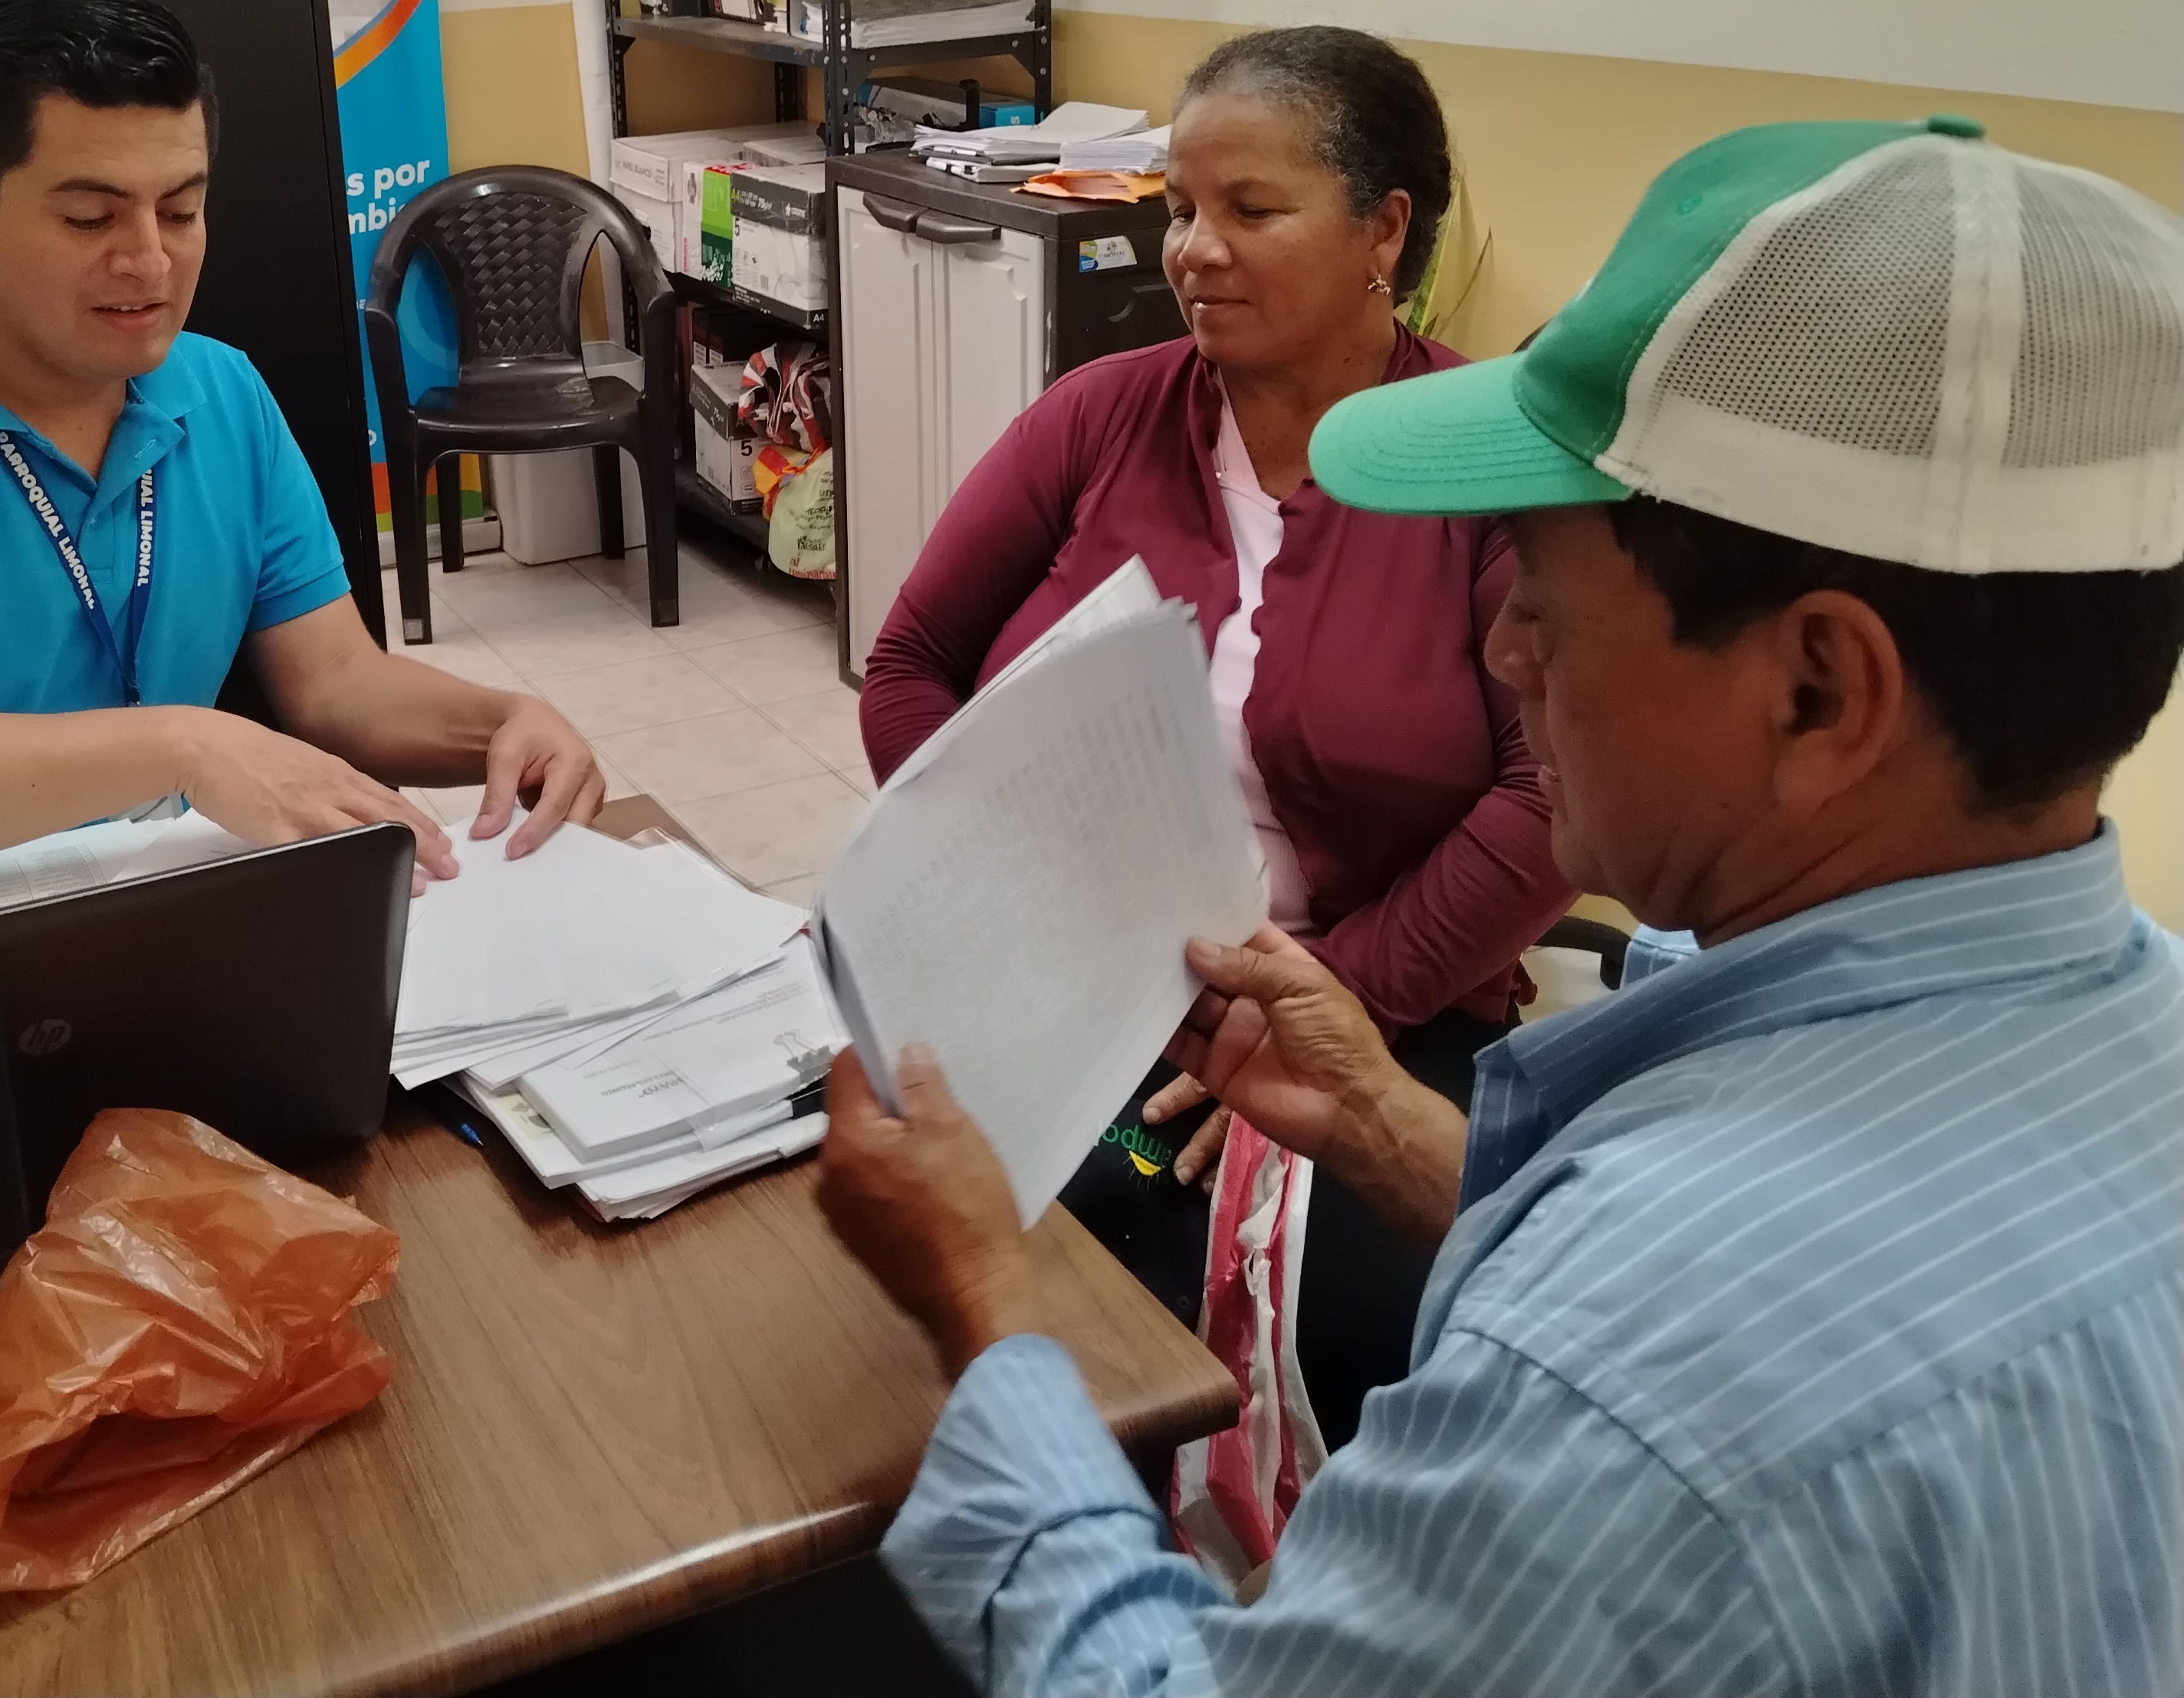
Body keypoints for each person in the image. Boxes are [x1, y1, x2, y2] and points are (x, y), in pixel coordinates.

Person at [820, 116, 2184, 1696]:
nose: (1503, 654)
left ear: (1818, 690)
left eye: (1540, 595)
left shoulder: (1626, 1376)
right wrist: (1379, 1117)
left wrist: (986, 1297)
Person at [861, 26, 1571, 1444]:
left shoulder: (1479, 466)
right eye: (1180, 207)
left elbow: (1547, 794)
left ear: (1385, 230)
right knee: (919, 1254)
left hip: (1380, 1013)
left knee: (1324, 1330)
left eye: (1250, 209)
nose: (1193, 250)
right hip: (1087, 982)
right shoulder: (1099, 420)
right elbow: (909, 672)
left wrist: (1338, 992)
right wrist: (1013, 899)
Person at [0, 0, 604, 867]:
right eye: (91, 218)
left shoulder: (221, 390)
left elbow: (334, 681)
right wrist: (179, 747)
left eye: (182, 210)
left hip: (163, 900)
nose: (150, 262)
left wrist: (501, 724)